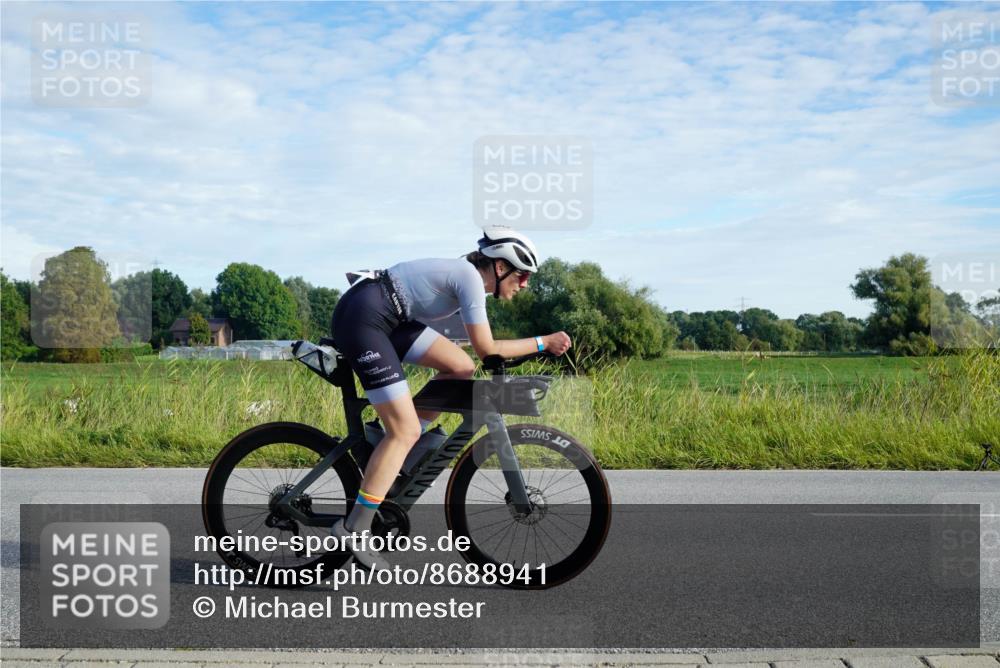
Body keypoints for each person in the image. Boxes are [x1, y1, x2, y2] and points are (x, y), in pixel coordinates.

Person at [329, 226, 572, 569]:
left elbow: (476, 355)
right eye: (523, 275)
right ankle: (355, 526)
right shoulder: (470, 278)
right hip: (364, 318)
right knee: (406, 430)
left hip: (387, 315)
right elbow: (488, 348)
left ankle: (389, 445)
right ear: (500, 267)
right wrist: (542, 342)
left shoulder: (467, 278)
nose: (525, 284)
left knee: (460, 366)